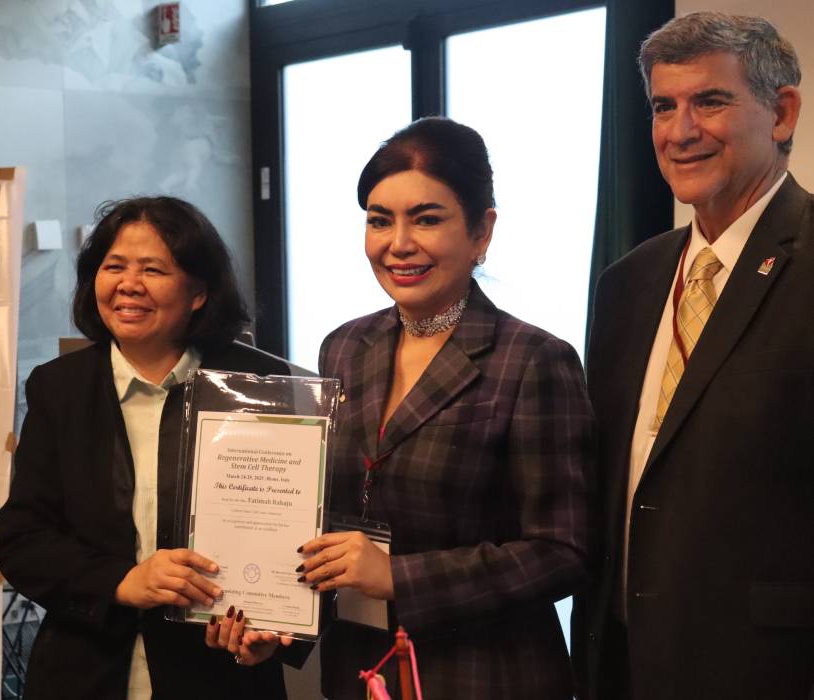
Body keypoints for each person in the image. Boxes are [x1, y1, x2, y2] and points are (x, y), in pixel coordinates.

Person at [295, 117, 593, 699]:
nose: (399, 243)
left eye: (427, 219)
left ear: (482, 231)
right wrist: (273, 617)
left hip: (484, 677)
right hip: (362, 670)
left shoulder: (532, 359)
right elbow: (331, 517)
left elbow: (564, 552)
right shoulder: (345, 346)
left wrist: (398, 576)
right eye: (379, 220)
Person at [574, 12, 813, 700]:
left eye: (709, 101)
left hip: (771, 672)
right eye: (662, 107)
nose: (679, 131)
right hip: (622, 664)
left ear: (782, 113)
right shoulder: (628, 283)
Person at [0, 196, 294, 699]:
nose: (129, 284)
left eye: (152, 269)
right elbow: (23, 541)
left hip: (219, 677)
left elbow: (293, 532)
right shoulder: (60, 388)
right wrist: (124, 581)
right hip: (87, 675)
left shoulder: (257, 382)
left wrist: (270, 631)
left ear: (198, 292)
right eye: (114, 267)